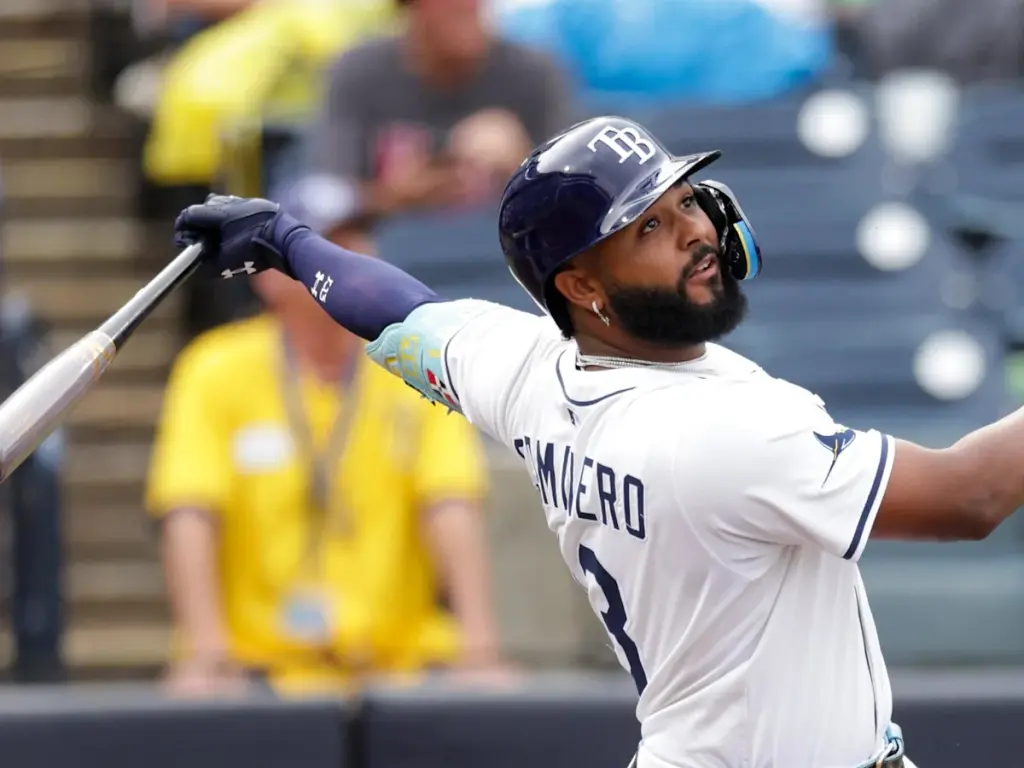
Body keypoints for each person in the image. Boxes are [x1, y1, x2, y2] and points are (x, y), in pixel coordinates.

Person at [161, 114, 994, 765]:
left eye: (686, 204)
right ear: (583, 287)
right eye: (649, 229)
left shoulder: (531, 372)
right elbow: (969, 497)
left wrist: (286, 240)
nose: (697, 232)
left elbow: (396, 309)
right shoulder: (719, 432)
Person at [145, 263, 506, 698]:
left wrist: (480, 648)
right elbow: (190, 512)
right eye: (318, 249)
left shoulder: (411, 364)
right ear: (268, 276)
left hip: (397, 667)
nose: (340, 262)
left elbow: (451, 504)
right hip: (259, 668)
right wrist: (206, 651)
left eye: (351, 242)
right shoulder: (215, 366)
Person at [287, 0, 575, 251]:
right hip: (394, 254)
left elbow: (578, 200)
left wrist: (522, 162)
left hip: (505, 254)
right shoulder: (360, 71)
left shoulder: (533, 72)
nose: (468, 6)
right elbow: (321, 196)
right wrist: (396, 196)